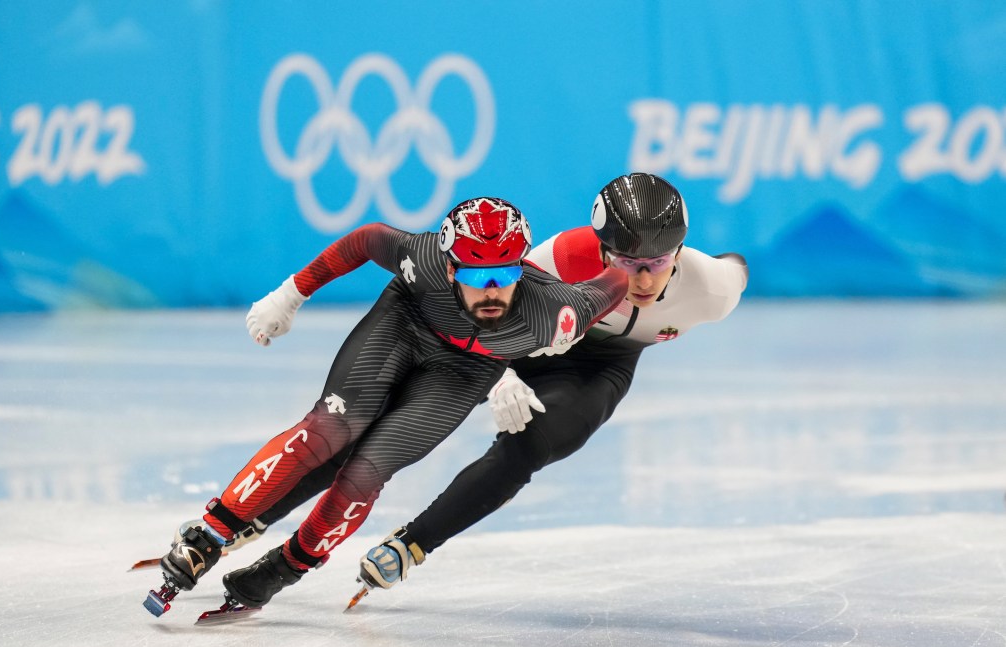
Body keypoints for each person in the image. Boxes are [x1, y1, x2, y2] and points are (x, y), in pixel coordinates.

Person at [203, 174, 748, 603]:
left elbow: (736, 268)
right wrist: (503, 372)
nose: (643, 280)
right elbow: (495, 316)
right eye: (627, 263)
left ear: (679, 253)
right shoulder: (559, 258)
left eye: (656, 264)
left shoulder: (710, 290)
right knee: (371, 421)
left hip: (600, 365)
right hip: (520, 343)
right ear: (603, 250)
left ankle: (411, 545)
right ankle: (258, 513)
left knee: (533, 443)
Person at [145, 196, 631, 617]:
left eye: (504, 274)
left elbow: (615, 285)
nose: (491, 290)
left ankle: (282, 569)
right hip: (404, 324)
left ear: (522, 267)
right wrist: (290, 293)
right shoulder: (419, 255)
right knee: (327, 431)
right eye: (476, 275)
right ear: (448, 267)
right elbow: (366, 239)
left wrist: (619, 272)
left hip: (464, 373)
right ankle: (207, 536)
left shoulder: (553, 312)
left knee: (365, 473)